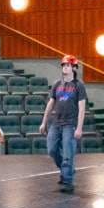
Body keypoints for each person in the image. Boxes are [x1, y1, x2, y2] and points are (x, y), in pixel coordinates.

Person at [39, 55, 88, 193]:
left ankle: (67, 181)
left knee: (68, 153)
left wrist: (79, 128)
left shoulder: (79, 86)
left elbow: (82, 108)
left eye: (67, 65)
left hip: (70, 124)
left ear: (74, 68)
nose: (65, 67)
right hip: (56, 123)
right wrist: (44, 122)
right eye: (63, 65)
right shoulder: (57, 85)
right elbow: (50, 104)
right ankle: (67, 171)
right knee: (52, 150)